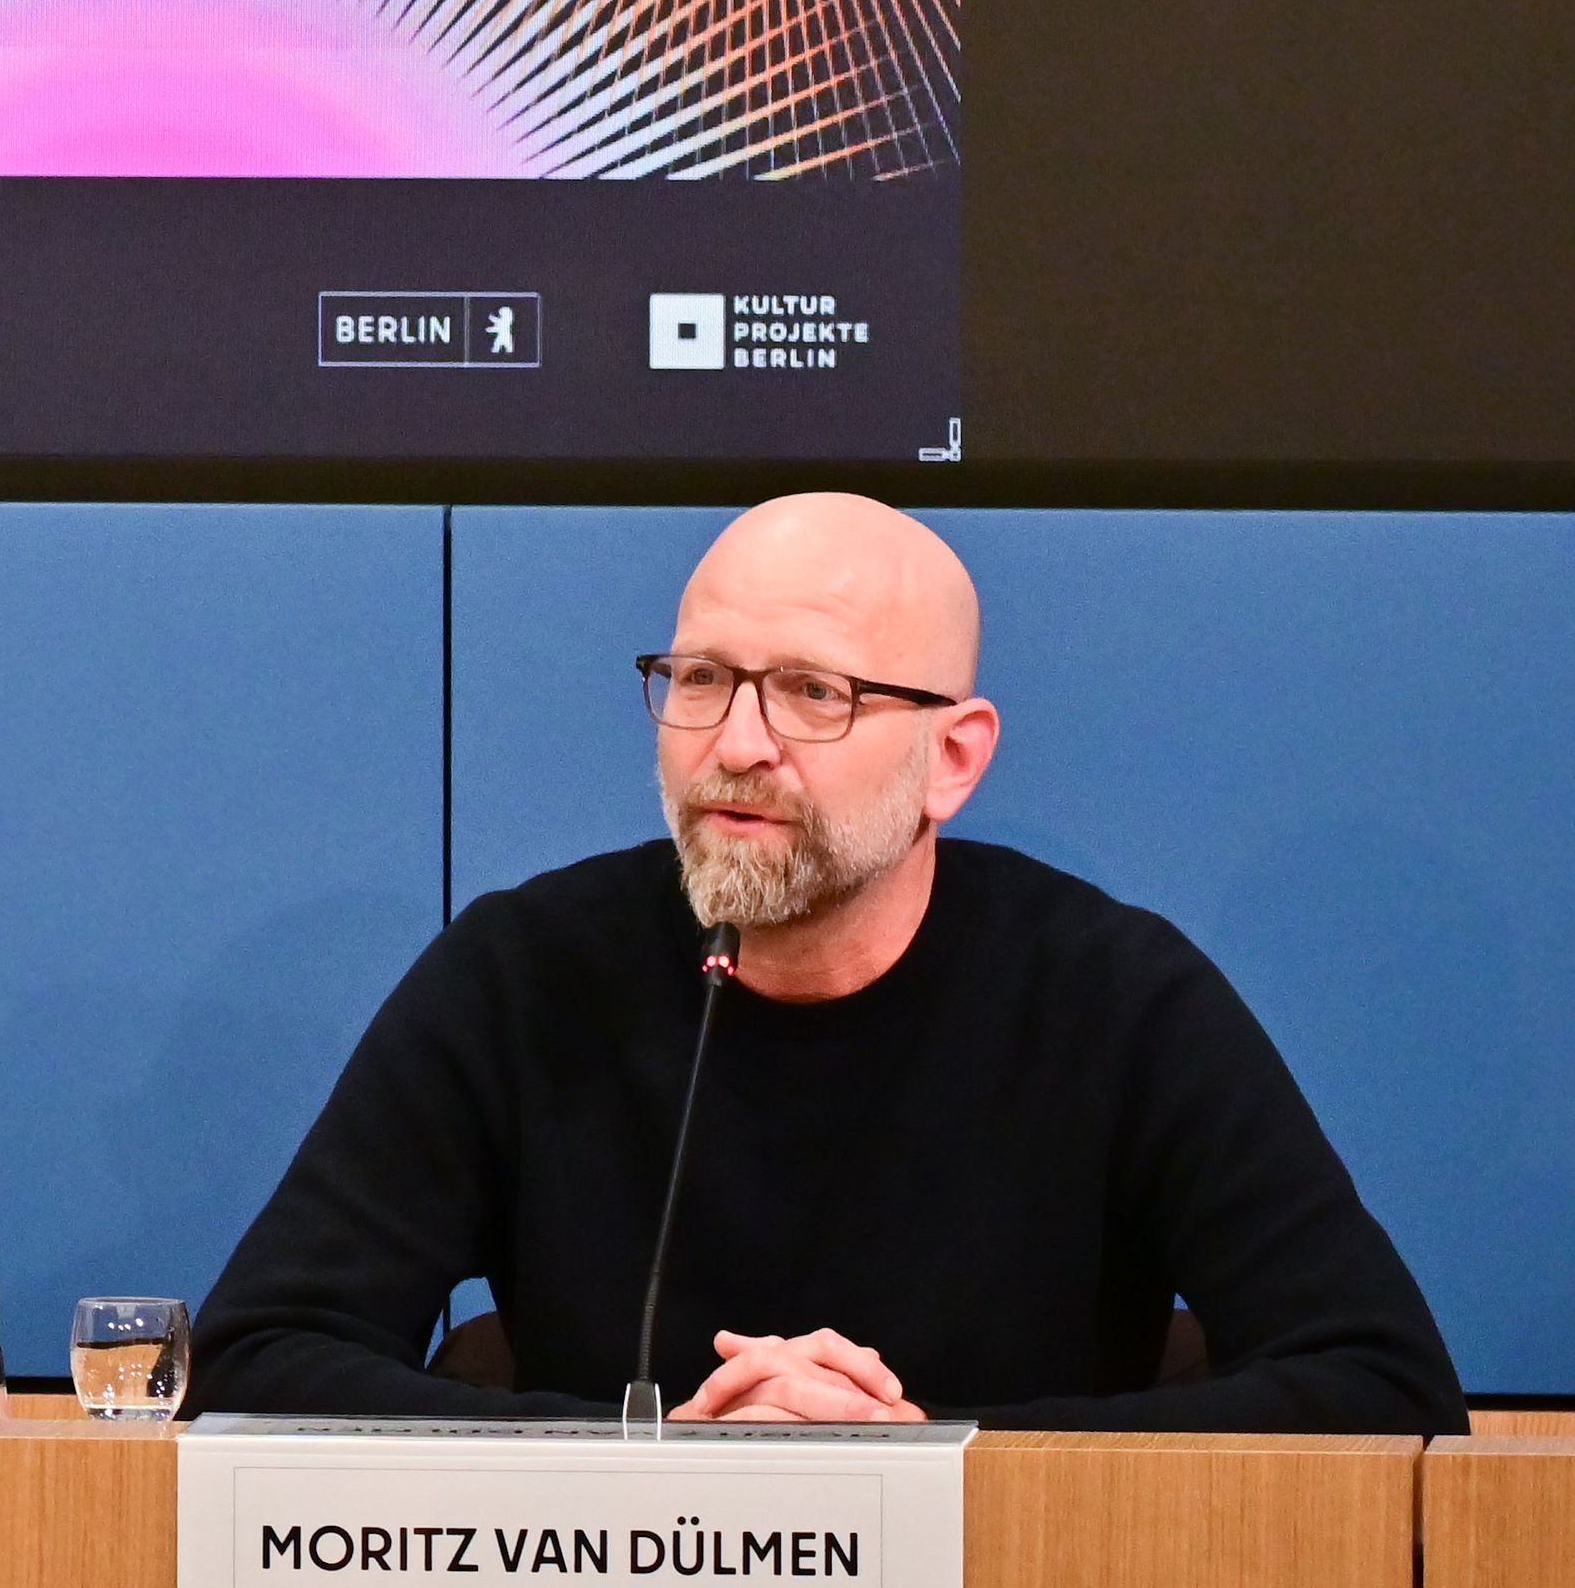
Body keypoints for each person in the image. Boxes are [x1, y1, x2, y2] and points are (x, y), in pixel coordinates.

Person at [194, 490, 1461, 1432]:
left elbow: (1383, 1385)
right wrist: (652, 1463)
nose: (736, 742)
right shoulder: (526, 972)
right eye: (701, 678)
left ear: (952, 759)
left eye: (812, 691)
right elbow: (258, 1354)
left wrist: (922, 1464)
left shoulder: (1113, 996)